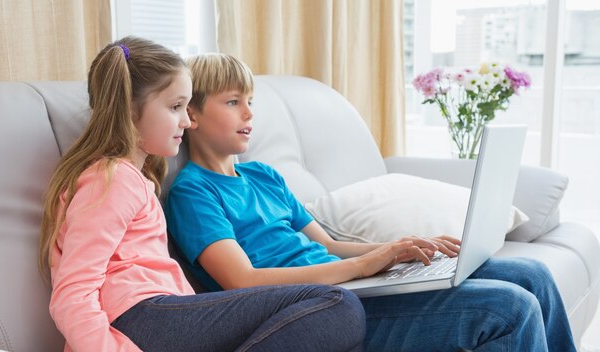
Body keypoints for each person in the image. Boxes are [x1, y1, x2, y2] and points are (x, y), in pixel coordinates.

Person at [165, 52, 577, 352]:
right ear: (192, 116)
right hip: (327, 306)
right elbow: (242, 281)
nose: (248, 113)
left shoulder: (264, 176)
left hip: (356, 282)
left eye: (251, 101)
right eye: (233, 102)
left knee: (533, 273)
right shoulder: (194, 191)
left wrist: (399, 251)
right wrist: (366, 266)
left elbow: (327, 245)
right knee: (509, 308)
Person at [38, 37, 367, 352]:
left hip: (163, 312)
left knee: (342, 335)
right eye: (175, 107)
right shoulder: (110, 179)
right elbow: (73, 292)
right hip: (140, 317)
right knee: (337, 305)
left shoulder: (132, 179)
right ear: (129, 110)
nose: (186, 120)